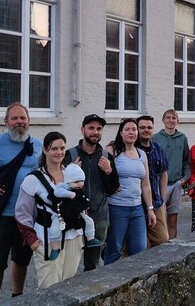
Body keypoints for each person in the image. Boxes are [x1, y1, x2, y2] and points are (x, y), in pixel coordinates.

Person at [0, 102, 42, 303]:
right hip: (2, 214)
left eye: (22, 118)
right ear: (6, 122)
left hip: (28, 215)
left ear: (29, 121)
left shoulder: (38, 145)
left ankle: (17, 297)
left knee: (21, 259)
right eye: (14, 118)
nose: (19, 122)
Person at [15, 132, 84, 289]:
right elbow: (21, 213)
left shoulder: (71, 175)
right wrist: (31, 240)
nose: (59, 152)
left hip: (73, 236)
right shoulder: (33, 179)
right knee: (49, 287)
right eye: (54, 148)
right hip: (47, 238)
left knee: (69, 285)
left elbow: (80, 202)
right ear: (45, 150)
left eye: (62, 148)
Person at [63, 114, 118, 271]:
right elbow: (59, 186)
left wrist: (109, 172)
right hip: (73, 217)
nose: (95, 132)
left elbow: (113, 188)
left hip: (99, 217)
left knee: (93, 264)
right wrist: (70, 172)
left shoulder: (107, 157)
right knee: (68, 264)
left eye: (99, 129)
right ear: (82, 130)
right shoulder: (70, 155)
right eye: (91, 128)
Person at [105, 119, 157, 265]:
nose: (131, 132)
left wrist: (150, 209)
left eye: (134, 129)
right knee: (114, 248)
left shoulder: (141, 154)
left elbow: (145, 184)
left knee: (139, 248)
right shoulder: (112, 150)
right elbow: (103, 175)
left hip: (137, 208)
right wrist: (113, 182)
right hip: (117, 207)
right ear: (121, 132)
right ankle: (108, 281)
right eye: (127, 129)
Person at [29, 163, 101, 260]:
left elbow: (85, 200)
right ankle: (55, 248)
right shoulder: (63, 187)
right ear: (68, 181)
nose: (80, 184)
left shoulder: (80, 190)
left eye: (81, 181)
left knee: (89, 221)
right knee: (54, 230)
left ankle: (90, 239)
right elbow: (57, 192)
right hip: (60, 216)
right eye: (76, 181)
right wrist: (69, 194)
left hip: (76, 215)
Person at [152, 109, 191, 240]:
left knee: (173, 220)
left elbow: (186, 162)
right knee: (158, 220)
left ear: (177, 121)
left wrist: (184, 179)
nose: (170, 120)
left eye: (173, 118)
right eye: (168, 117)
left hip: (176, 184)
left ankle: (172, 246)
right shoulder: (155, 138)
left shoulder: (182, 138)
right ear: (163, 120)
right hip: (159, 185)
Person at [136, 115, 170, 247]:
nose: (146, 130)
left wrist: (162, 199)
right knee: (137, 243)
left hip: (156, 202)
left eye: (149, 127)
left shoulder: (157, 148)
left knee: (162, 239)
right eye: (142, 127)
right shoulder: (132, 149)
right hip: (136, 203)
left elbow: (164, 173)